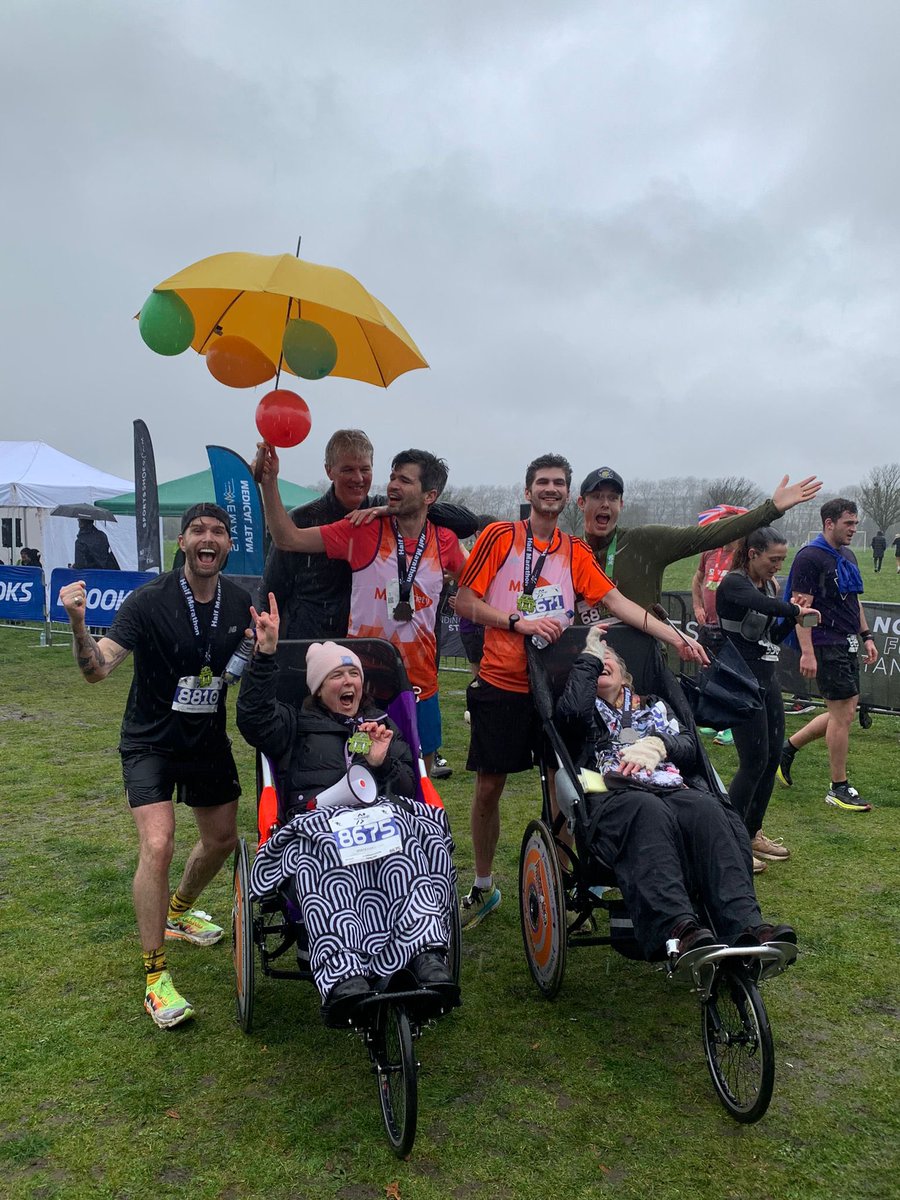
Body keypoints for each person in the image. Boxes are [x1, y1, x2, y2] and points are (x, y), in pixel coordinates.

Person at [453, 454, 707, 929]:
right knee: (489, 789)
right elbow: (465, 601)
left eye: (559, 484)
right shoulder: (499, 537)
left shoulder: (575, 550)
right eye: (542, 482)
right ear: (528, 492)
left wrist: (676, 638)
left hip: (558, 684)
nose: (551, 490)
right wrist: (516, 620)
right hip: (503, 682)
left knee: (565, 786)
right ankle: (483, 886)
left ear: (568, 495)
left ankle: (564, 881)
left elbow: (615, 601)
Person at [59, 503, 251, 1029]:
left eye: (217, 531)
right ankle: (155, 978)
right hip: (150, 740)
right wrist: (78, 624)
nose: (207, 539)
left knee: (221, 840)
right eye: (197, 531)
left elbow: (249, 662)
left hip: (206, 738)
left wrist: (267, 647)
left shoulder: (239, 601)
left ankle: (180, 911)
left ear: (228, 545)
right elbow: (98, 669)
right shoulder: (148, 601)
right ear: (183, 542)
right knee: (159, 843)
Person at [236, 604, 457, 1024]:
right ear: (318, 687)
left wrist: (382, 762)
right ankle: (342, 974)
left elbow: (412, 789)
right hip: (317, 824)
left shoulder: (379, 726)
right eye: (337, 675)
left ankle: (425, 954)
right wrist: (264, 656)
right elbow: (254, 718)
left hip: (380, 822)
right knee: (324, 859)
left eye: (354, 674)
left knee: (413, 832)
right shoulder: (294, 723)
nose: (348, 681)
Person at [555, 629, 795, 960]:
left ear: (627, 678)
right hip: (612, 793)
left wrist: (659, 744)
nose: (601, 662)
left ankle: (748, 927)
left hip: (669, 786)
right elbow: (571, 714)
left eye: (607, 659)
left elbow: (689, 748)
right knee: (647, 811)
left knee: (710, 812)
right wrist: (589, 658)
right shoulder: (585, 710)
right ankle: (678, 930)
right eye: (595, 661)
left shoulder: (655, 706)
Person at [258, 445, 466, 773]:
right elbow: (288, 538)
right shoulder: (364, 529)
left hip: (420, 680)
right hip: (362, 682)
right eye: (393, 477)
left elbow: (476, 582)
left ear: (430, 495)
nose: (393, 485)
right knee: (358, 767)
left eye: (406, 481)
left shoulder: (446, 542)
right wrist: (268, 483)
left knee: (417, 775)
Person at [260, 428, 476, 640]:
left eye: (365, 469)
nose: (358, 478)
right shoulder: (310, 519)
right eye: (347, 470)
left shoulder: (383, 514)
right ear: (329, 471)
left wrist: (390, 508)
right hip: (313, 641)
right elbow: (273, 581)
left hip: (381, 648)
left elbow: (467, 523)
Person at [575, 467, 823, 615]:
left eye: (613, 497)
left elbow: (707, 535)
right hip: (584, 659)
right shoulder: (568, 552)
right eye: (597, 497)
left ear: (622, 505)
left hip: (639, 659)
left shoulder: (644, 541)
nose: (605, 503)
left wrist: (771, 509)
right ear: (581, 503)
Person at [715, 529, 819, 870]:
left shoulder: (770, 587)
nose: (778, 567)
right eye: (773, 559)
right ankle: (730, 841)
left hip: (765, 678)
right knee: (753, 761)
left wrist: (792, 618)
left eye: (782, 560)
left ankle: (752, 831)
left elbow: (770, 634)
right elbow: (763, 606)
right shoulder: (734, 583)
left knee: (772, 756)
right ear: (753, 554)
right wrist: (792, 608)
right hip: (738, 680)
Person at [777, 499, 879, 811]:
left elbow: (853, 602)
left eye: (855, 523)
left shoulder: (847, 555)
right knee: (842, 714)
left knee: (844, 712)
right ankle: (838, 786)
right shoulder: (810, 556)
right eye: (848, 523)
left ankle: (788, 749)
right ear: (829, 523)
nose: (853, 529)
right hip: (824, 642)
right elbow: (801, 608)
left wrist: (866, 636)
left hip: (847, 641)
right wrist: (807, 652)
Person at [690, 506, 747, 746]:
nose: (723, 530)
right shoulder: (710, 550)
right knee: (708, 669)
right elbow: (698, 579)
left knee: (731, 674)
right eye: (720, 524)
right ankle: (714, 720)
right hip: (708, 623)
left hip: (732, 626)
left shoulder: (745, 554)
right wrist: (698, 606)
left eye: (728, 525)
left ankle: (731, 727)